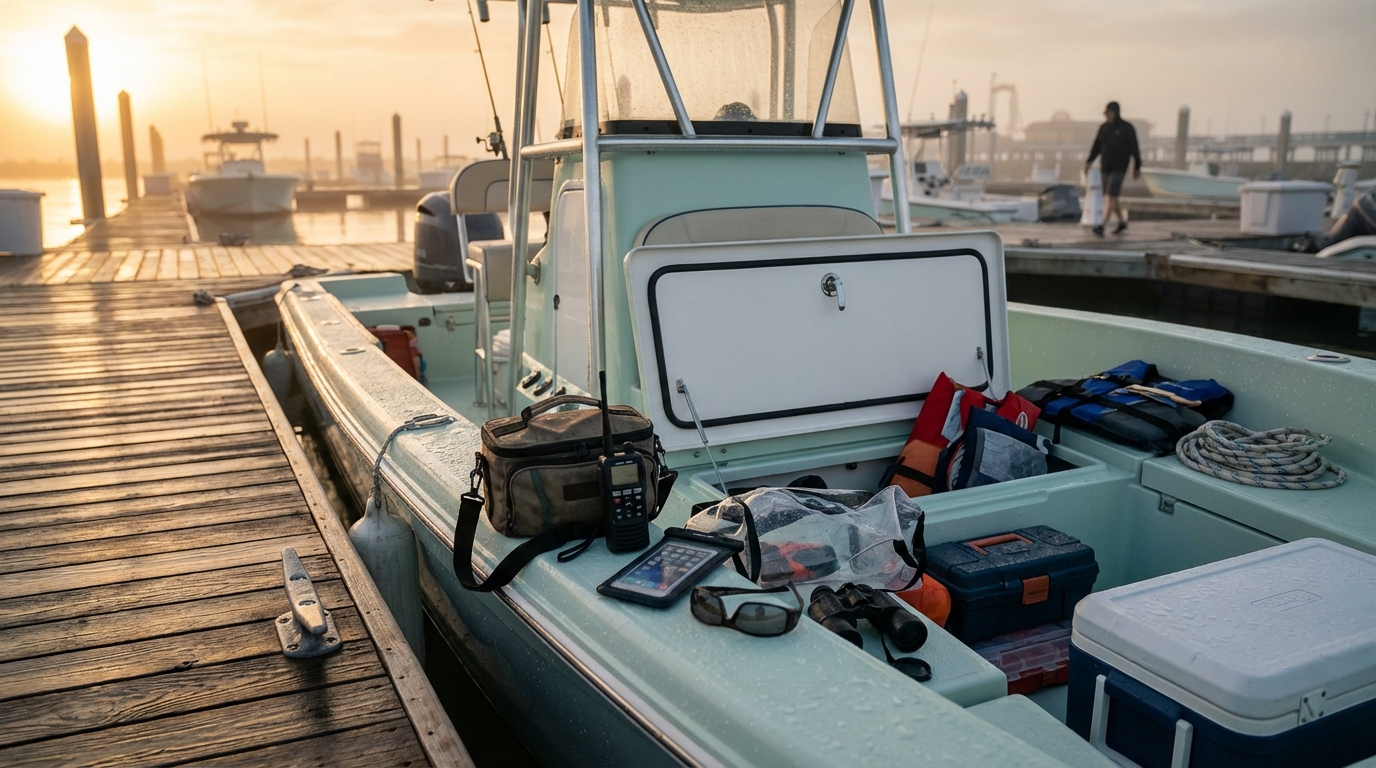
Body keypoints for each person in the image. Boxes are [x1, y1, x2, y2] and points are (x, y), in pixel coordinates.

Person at [1085, 101, 1142, 236]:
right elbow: (1096, 147)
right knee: (1110, 197)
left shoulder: (1127, 128)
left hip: (1120, 167)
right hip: (1105, 167)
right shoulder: (1103, 128)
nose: (1107, 115)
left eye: (1108, 112)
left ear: (1114, 112)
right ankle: (1122, 222)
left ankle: (1102, 225)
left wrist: (1137, 166)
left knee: (1111, 196)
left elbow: (1134, 148)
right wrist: (1088, 162)